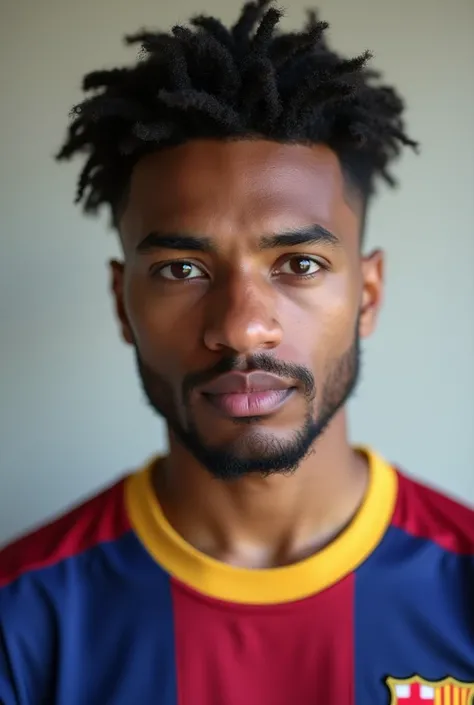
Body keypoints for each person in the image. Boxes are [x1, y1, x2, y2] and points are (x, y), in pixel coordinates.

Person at [1, 1, 473, 703]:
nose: (244, 328)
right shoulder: (22, 613)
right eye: (181, 270)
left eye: (299, 264)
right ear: (121, 302)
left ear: (368, 294)